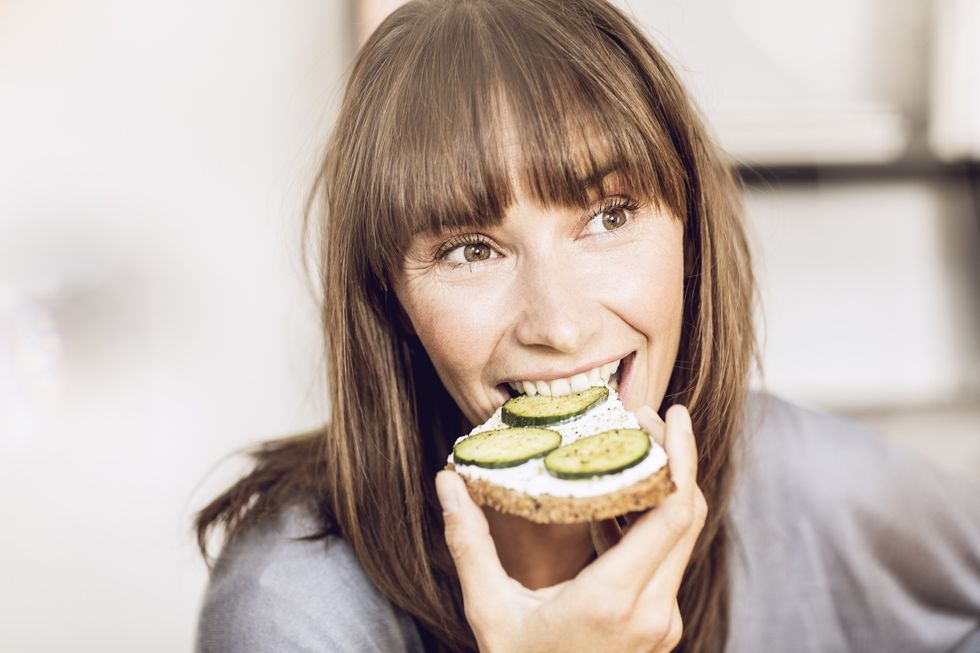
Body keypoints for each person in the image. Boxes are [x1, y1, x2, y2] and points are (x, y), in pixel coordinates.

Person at [193, 1, 980, 651]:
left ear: (690, 236)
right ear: (389, 297)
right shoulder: (288, 611)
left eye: (608, 215)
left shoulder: (826, 487)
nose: (560, 325)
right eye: (472, 250)